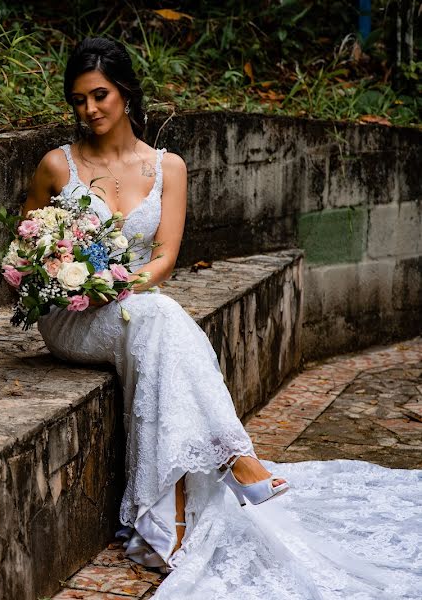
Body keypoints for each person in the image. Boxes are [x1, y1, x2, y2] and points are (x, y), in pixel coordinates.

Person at [21, 37, 422, 598]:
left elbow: (162, 259)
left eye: (100, 95)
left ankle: (172, 524)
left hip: (135, 306)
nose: (90, 110)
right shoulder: (55, 167)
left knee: (156, 327)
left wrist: (119, 283)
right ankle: (236, 460)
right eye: (79, 100)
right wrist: (74, 278)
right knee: (161, 321)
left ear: (127, 93)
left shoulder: (168, 168)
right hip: (75, 317)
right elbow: (25, 251)